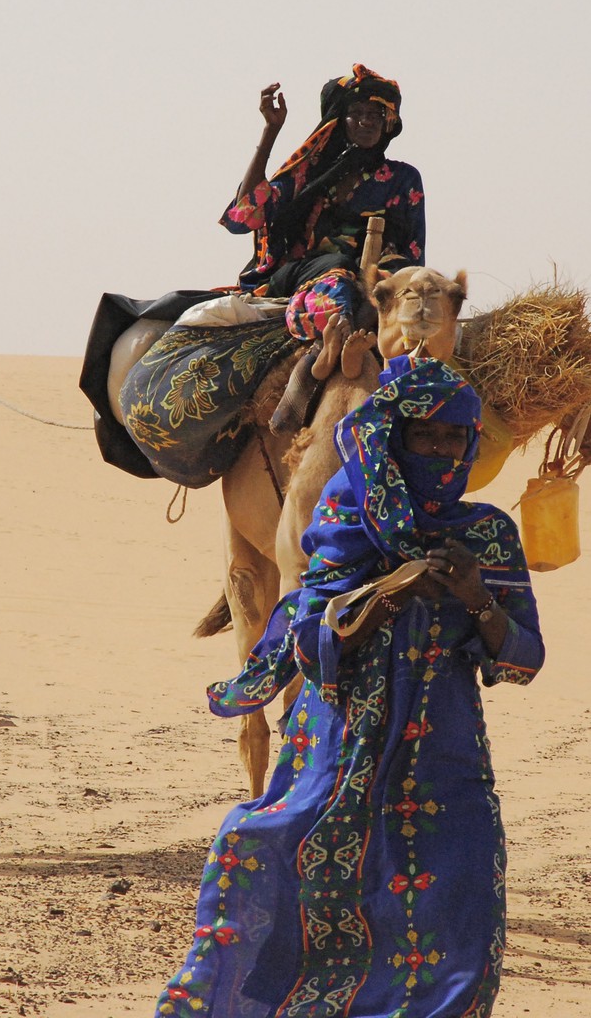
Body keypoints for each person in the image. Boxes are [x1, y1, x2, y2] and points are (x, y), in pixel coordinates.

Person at [154, 356, 544, 1018]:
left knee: (463, 922)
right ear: (396, 438)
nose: (443, 451)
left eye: (456, 438)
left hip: (444, 766)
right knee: (276, 872)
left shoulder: (489, 534)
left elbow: (524, 660)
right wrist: (376, 605)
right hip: (340, 753)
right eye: (428, 437)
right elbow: (308, 642)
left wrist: (478, 599)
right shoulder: (342, 521)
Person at [220, 64, 426, 344]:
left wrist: (379, 283)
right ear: (339, 120)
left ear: (387, 121)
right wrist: (271, 130)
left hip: (373, 280)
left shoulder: (404, 178)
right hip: (302, 272)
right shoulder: (311, 172)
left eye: (375, 114)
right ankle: (331, 349)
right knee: (339, 269)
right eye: (356, 113)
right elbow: (243, 216)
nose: (366, 121)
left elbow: (413, 252)